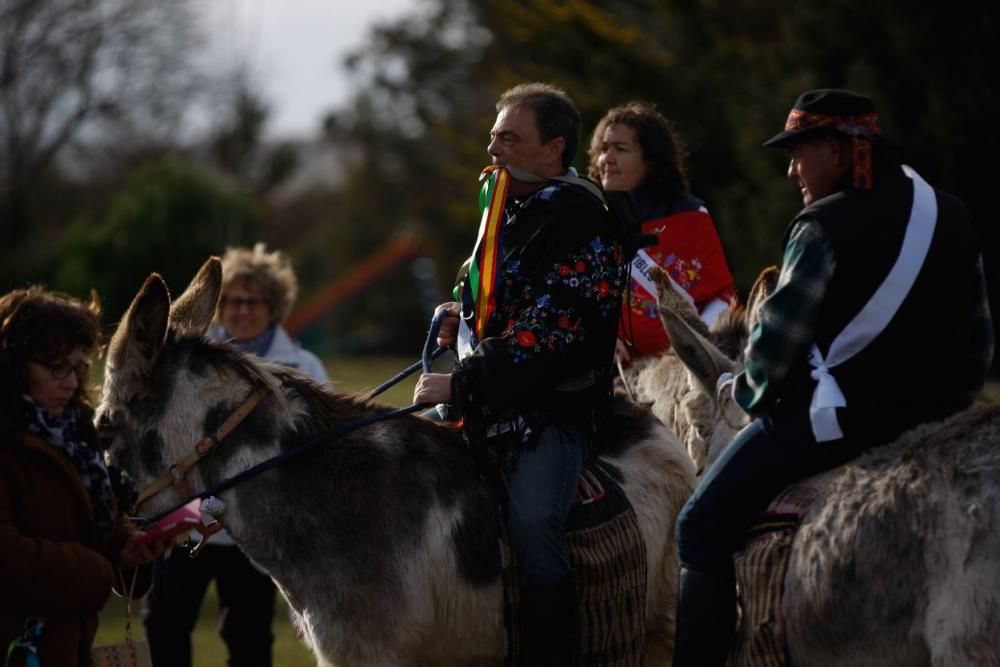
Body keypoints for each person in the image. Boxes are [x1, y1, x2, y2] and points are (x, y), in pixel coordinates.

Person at [671, 88, 994, 666]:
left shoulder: (821, 224)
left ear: (844, 150)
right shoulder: (951, 212)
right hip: (943, 418)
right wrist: (947, 410)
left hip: (840, 423)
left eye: (801, 151)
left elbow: (775, 352)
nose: (791, 169)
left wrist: (744, 394)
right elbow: (979, 344)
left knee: (698, 527)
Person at [413, 82, 625, 665]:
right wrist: (456, 311)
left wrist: (462, 383)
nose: (494, 147)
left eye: (510, 137)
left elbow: (554, 330)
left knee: (535, 528)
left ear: (554, 149)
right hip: (486, 399)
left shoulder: (583, 219)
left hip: (550, 410)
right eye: (493, 135)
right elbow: (482, 288)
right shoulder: (505, 203)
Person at [144, 243, 330, 667]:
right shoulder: (189, 363)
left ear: (274, 306)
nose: (240, 310)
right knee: (165, 628)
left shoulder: (304, 367)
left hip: (258, 527)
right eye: (229, 300)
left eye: (252, 301)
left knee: (249, 640)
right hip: (186, 522)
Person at [0, 286, 169, 666]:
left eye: (78, 367)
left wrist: (126, 547)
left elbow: (88, 520)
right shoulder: (9, 440)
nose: (72, 382)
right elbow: (7, 555)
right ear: (13, 364)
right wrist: (96, 571)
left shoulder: (75, 432)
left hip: (67, 649)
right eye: (57, 366)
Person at [588, 101, 736, 362]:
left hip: (682, 374)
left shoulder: (687, 217)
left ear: (651, 161)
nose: (606, 159)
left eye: (620, 149)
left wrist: (697, 354)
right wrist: (596, 336)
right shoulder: (588, 219)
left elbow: (719, 300)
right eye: (603, 148)